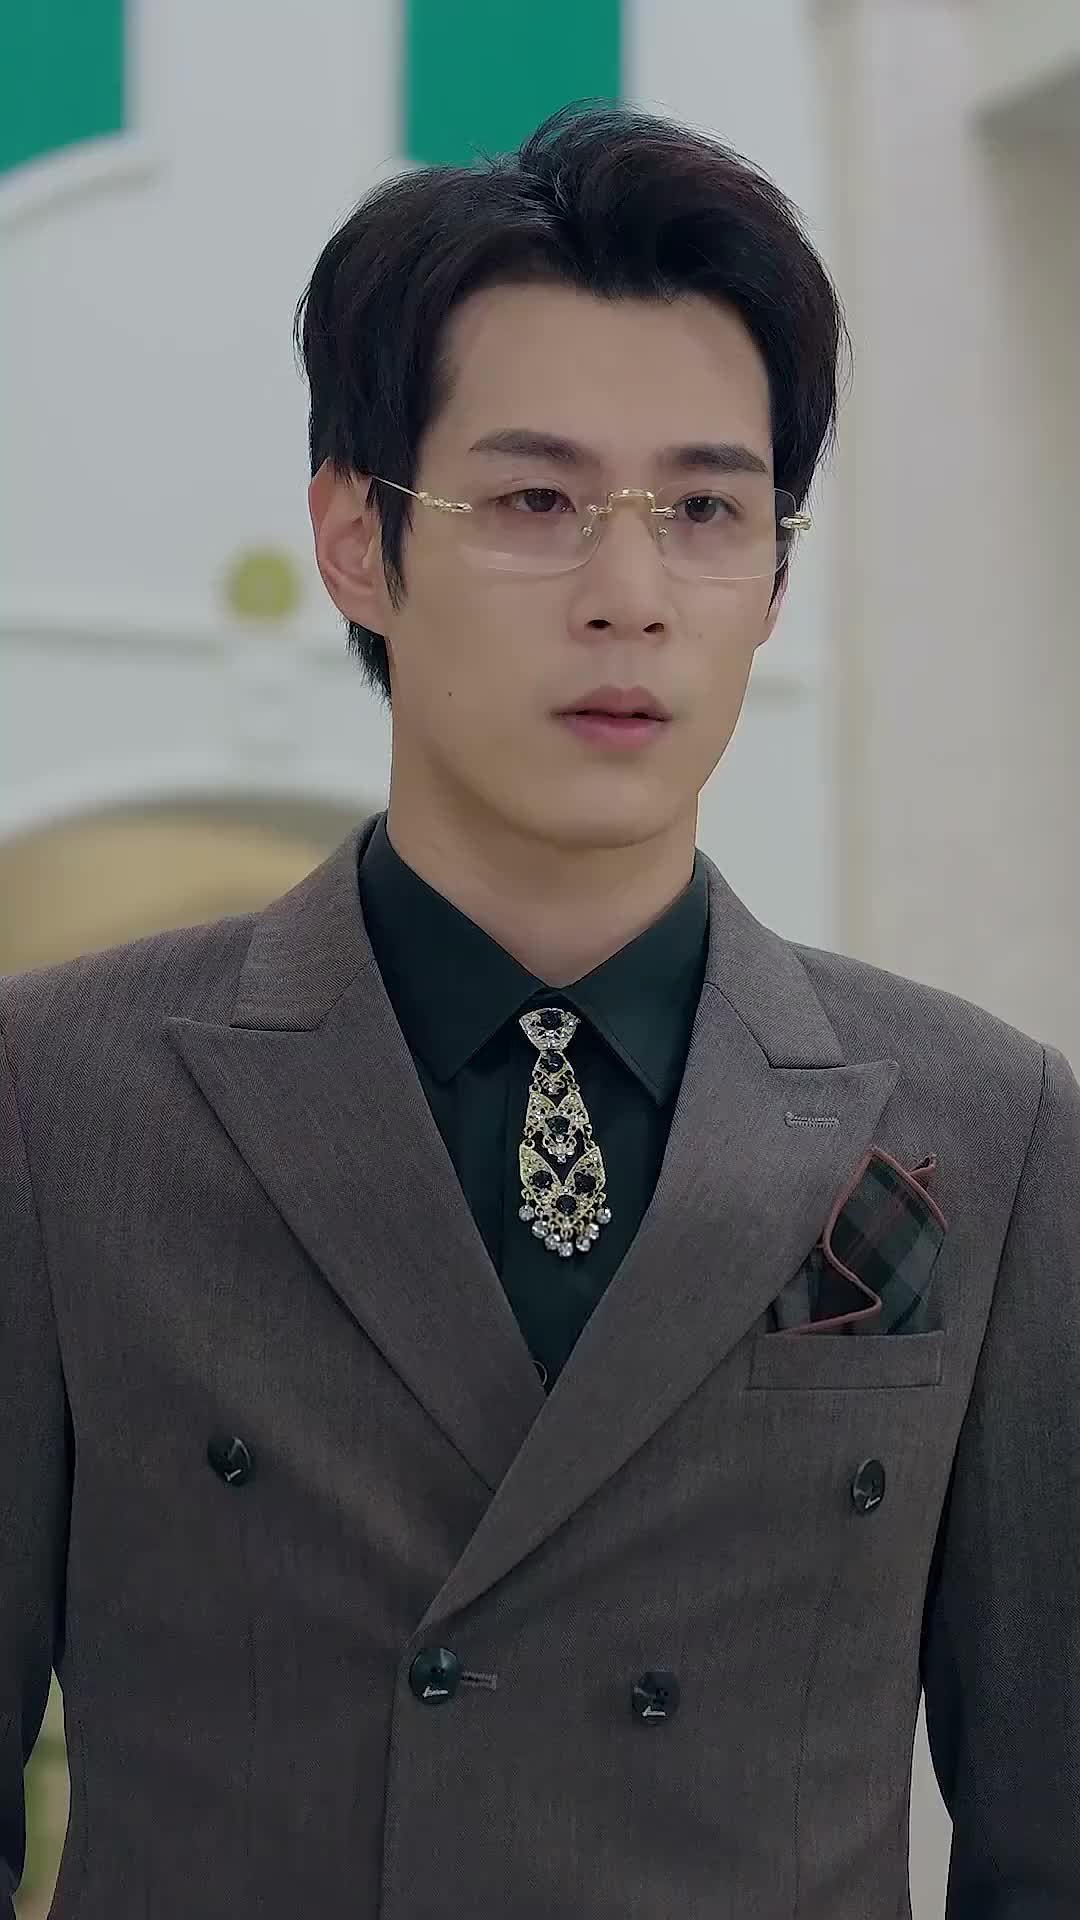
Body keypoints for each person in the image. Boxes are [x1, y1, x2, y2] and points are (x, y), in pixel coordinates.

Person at [2, 101, 1077, 1920]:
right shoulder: (59, 1100)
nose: (629, 597)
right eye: (533, 503)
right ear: (358, 540)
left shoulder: (987, 1127)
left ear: (776, 575)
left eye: (707, 511)